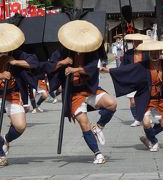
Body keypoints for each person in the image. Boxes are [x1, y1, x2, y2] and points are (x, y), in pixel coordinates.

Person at [47, 20, 117, 164]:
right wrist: (62, 63)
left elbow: (93, 69)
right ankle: (97, 154)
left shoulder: (90, 51)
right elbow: (49, 66)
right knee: (84, 124)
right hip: (73, 94)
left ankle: (98, 127)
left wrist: (75, 69)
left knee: (112, 103)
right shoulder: (62, 51)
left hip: (89, 89)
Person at [100, 40, 163, 152]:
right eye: (152, 53)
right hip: (145, 97)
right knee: (145, 122)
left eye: (156, 52)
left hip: (159, 98)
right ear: (149, 53)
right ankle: (154, 141)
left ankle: (148, 137)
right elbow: (127, 70)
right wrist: (109, 70)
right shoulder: (143, 65)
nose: (154, 55)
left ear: (160, 52)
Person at [0, 23, 39, 167]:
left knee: (20, 126)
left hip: (13, 94)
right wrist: (0, 74)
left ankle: (6, 139)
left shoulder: (17, 53)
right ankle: (0, 156)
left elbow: (33, 62)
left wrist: (15, 62)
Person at [122, 33, 151, 127]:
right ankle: (136, 119)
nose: (137, 43)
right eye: (135, 42)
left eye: (139, 42)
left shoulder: (147, 52)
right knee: (133, 101)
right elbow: (123, 66)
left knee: (145, 100)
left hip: (144, 78)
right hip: (132, 78)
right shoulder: (128, 53)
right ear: (133, 42)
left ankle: (145, 117)